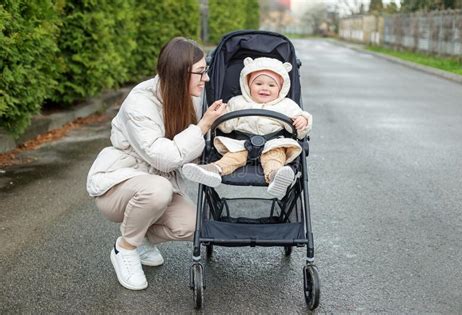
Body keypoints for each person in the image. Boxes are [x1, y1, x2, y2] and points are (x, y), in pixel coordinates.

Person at [86, 37, 227, 291]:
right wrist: (203, 125)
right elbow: (164, 157)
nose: (205, 79)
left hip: (158, 186)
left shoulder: (190, 97)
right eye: (200, 72)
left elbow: (187, 153)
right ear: (178, 74)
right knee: (158, 189)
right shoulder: (139, 103)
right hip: (119, 186)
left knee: (195, 226)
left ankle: (139, 238)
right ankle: (125, 248)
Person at [182, 57, 312, 199]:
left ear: (281, 88)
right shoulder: (237, 102)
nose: (264, 88)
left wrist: (302, 121)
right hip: (241, 144)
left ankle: (275, 176)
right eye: (258, 83)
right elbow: (225, 127)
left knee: (274, 158)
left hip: (274, 144)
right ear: (248, 84)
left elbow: (300, 124)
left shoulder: (287, 105)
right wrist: (221, 115)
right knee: (231, 157)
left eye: (271, 85)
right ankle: (214, 170)